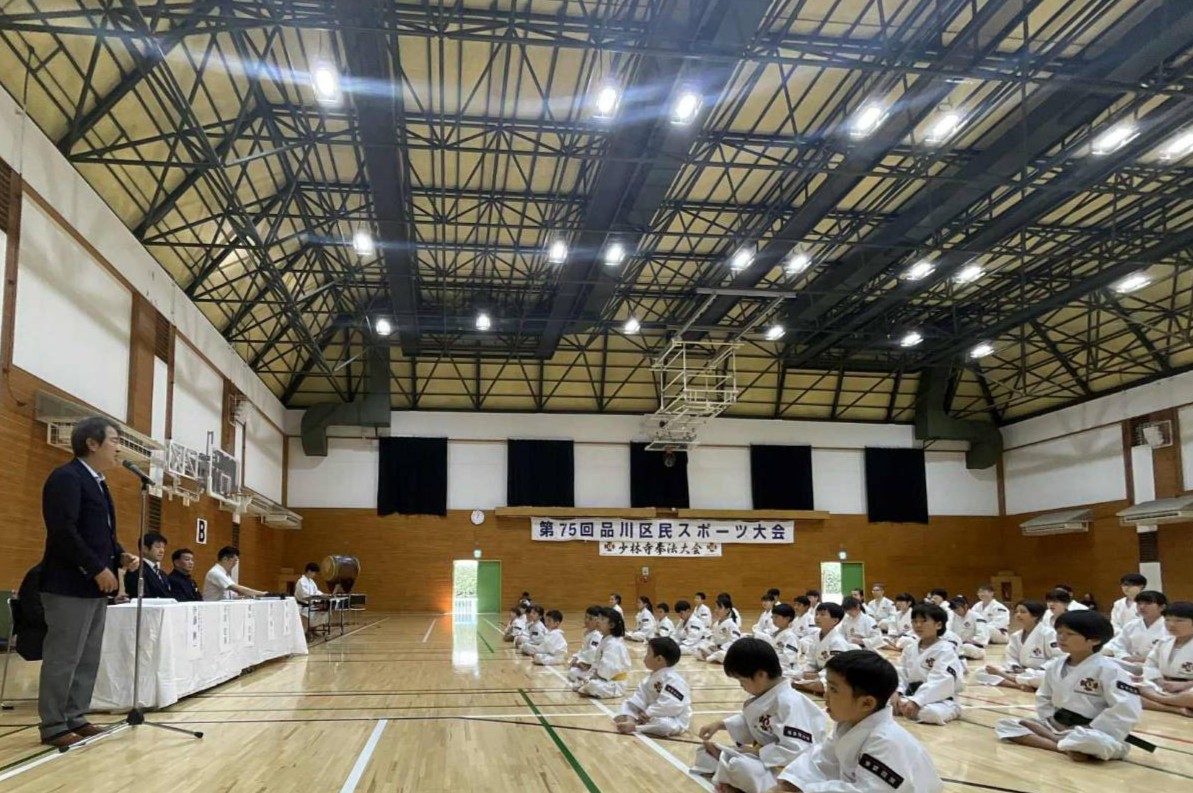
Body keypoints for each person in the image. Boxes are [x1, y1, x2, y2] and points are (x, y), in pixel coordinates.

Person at [38, 417, 141, 748]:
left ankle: (75, 715)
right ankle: (54, 724)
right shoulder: (66, 478)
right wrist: (96, 568)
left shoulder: (98, 482)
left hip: (94, 588)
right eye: (114, 440)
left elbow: (100, 533)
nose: (119, 448)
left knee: (88, 656)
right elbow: (63, 531)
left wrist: (119, 555)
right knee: (64, 656)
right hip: (69, 584)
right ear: (92, 444)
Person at [771, 650, 944, 793]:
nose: (826, 695)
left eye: (833, 689)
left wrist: (806, 791)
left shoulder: (885, 741)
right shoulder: (848, 724)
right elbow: (822, 761)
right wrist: (791, 783)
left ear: (866, 703)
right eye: (827, 687)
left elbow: (870, 791)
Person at [995, 610, 1143, 761]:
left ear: (1094, 640)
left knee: (1092, 742)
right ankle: (1062, 746)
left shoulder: (1109, 670)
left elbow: (1125, 709)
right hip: (1057, 727)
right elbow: (1044, 697)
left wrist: (1093, 729)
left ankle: (1062, 743)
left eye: (1070, 634)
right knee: (1006, 724)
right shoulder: (1055, 666)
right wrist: (1050, 720)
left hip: (1093, 731)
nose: (1061, 637)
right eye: (1059, 632)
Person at [692, 638, 826, 793]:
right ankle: (729, 770)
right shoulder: (765, 694)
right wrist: (720, 724)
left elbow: (797, 749)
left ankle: (733, 775)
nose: (741, 685)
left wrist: (757, 753)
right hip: (764, 759)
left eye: (742, 680)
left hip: (790, 770)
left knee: (741, 766)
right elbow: (754, 722)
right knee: (704, 753)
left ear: (761, 674)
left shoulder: (789, 703)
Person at [890, 604, 965, 726]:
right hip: (911, 696)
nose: (918, 625)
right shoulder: (910, 648)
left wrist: (917, 701)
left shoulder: (945, 650)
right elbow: (901, 673)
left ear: (938, 625)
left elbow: (942, 680)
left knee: (931, 713)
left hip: (941, 701)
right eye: (915, 621)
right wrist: (897, 692)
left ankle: (908, 707)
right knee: (883, 701)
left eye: (923, 621)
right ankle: (906, 706)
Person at [614, 637, 691, 737]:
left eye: (648, 653)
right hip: (648, 715)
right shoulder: (648, 679)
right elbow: (639, 697)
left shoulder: (674, 680)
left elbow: (672, 705)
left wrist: (649, 713)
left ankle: (636, 727)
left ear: (659, 659)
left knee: (665, 725)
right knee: (627, 704)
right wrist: (643, 711)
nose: (645, 657)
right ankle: (630, 721)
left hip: (673, 718)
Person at [975, 600, 1061, 690]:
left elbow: (1058, 657)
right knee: (982, 671)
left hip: (1038, 672)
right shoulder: (1016, 636)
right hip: (1019, 672)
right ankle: (1018, 685)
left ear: (1035, 615)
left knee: (1043, 677)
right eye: (1016, 612)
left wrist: (1040, 669)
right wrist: (1015, 667)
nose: (1018, 615)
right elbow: (1011, 657)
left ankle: (1010, 678)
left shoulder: (1048, 634)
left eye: (1023, 612)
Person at [1136, 601, 1193, 716]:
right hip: (1162, 686)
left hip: (1188, 688)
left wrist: (1185, 685)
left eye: (1179, 621)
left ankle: (1161, 701)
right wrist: (1159, 680)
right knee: (1127, 687)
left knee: (1190, 697)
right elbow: (1150, 664)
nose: (1171, 625)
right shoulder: (1163, 642)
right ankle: (1174, 708)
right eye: (1167, 620)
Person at [793, 603, 853, 696]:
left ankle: (799, 685)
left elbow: (836, 669)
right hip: (817, 673)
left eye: (822, 614)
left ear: (835, 620)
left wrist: (816, 675)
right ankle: (800, 684)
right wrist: (807, 672)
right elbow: (810, 661)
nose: (817, 617)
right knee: (793, 675)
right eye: (816, 614)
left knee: (819, 685)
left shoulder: (838, 641)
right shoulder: (816, 636)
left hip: (835, 675)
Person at [1104, 590, 1170, 674]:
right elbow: (1118, 645)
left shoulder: (1170, 627)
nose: (1142, 607)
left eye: (1148, 603)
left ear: (1162, 607)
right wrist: (1125, 657)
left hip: (1158, 667)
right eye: (1139, 603)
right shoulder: (1131, 625)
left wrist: (1147, 660)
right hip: (1131, 664)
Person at [574, 607, 631, 698]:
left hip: (614, 683)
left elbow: (607, 670)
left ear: (611, 625)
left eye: (602, 619)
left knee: (591, 685)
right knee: (580, 680)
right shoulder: (605, 640)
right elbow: (596, 663)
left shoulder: (614, 644)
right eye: (598, 618)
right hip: (603, 678)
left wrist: (591, 678)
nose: (598, 621)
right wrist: (589, 676)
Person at [123, 531, 172, 599]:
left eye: (163, 547)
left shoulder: (162, 574)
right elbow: (140, 596)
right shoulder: (137, 569)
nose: (162, 551)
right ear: (145, 549)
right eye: (158, 547)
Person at [696, 593, 743, 663]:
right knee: (698, 650)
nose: (716, 610)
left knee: (721, 654)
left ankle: (712, 657)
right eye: (716, 608)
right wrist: (711, 646)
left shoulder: (732, 624)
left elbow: (734, 641)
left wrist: (721, 648)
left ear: (727, 610)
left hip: (726, 650)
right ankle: (712, 657)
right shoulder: (716, 624)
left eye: (719, 608)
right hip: (716, 649)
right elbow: (713, 638)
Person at [566, 606, 603, 681]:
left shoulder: (596, 635)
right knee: (571, 667)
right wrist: (576, 657)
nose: (586, 620)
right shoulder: (588, 633)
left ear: (597, 621)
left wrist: (581, 662)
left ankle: (590, 678)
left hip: (593, 665)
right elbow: (583, 649)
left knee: (573, 673)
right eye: (586, 617)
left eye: (590, 619)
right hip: (586, 661)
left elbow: (593, 652)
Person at [294, 562, 328, 636]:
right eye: (314, 572)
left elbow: (316, 591)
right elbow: (305, 595)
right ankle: (306, 631)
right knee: (309, 613)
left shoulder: (311, 581)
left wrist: (322, 594)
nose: (314, 574)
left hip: (310, 604)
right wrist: (316, 599)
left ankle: (313, 629)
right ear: (309, 571)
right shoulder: (301, 581)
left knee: (323, 611)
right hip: (302, 605)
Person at [769, 603, 801, 676]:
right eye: (772, 617)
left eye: (776, 617)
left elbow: (789, 658)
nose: (773, 619)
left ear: (787, 619)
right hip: (774, 664)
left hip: (786, 669)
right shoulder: (775, 633)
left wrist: (770, 658)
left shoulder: (790, 636)